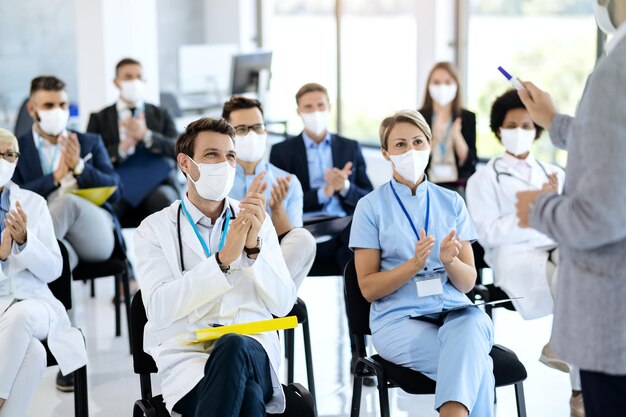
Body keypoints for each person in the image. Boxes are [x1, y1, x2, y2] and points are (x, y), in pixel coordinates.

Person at [134, 117, 296, 416]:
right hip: (188, 357)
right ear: (185, 163)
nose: (224, 164)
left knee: (234, 346)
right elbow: (158, 309)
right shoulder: (153, 229)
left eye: (230, 156)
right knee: (246, 396)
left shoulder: (257, 220)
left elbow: (284, 304)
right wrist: (221, 262)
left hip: (253, 345)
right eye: (212, 155)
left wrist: (251, 251)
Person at [515, 1, 626, 416]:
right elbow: (612, 144)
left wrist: (539, 207)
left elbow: (598, 217)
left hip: (612, 326)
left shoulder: (616, 71)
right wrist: (555, 122)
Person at [350, 110, 494, 417]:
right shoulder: (370, 207)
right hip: (397, 320)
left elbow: (468, 283)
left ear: (429, 144)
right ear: (386, 153)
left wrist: (449, 262)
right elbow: (368, 288)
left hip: (452, 312)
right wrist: (412, 266)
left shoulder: (452, 201)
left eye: (418, 142)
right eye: (400, 145)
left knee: (476, 321)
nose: (411, 150)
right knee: (481, 366)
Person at [465, 90, 585, 416]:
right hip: (513, 258)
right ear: (498, 130)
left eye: (527, 125)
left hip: (557, 249)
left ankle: (572, 371)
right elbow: (489, 231)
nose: (520, 131)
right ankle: (578, 388)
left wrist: (539, 213)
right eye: (511, 125)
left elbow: (569, 221)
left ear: (538, 130)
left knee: (583, 267)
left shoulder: (554, 173)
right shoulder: (483, 179)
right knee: (576, 285)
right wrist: (540, 212)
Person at [0, 128, 87, 417]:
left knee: (22, 316)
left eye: (9, 154)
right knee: (34, 354)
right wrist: (2, 255)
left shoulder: (32, 204)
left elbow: (53, 270)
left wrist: (25, 241)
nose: (4, 160)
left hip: (37, 307)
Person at [14, 76, 120, 271]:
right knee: (62, 258)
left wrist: (79, 167)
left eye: (62, 105)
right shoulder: (17, 149)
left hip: (95, 234)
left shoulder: (89, 142)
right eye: (49, 105)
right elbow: (13, 198)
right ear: (32, 109)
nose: (57, 111)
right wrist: (54, 178)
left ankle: (16, 267)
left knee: (67, 203)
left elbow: (116, 191)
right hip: (56, 235)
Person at [270, 82, 373, 272]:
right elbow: (280, 202)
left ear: (329, 108)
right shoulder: (281, 152)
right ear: (298, 111)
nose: (315, 112)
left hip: (343, 227)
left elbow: (369, 198)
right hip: (304, 227)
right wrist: (323, 193)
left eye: (320, 106)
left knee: (356, 246)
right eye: (308, 107)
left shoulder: (349, 147)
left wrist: (344, 187)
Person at [222, 96, 316, 289]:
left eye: (257, 127)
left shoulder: (287, 182)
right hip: (227, 267)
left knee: (303, 239)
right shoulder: (217, 180)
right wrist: (246, 215)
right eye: (242, 129)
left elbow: (291, 246)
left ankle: (262, 298)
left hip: (270, 272)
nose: (252, 135)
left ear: (265, 130)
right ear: (228, 134)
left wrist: (277, 208)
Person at [87, 57, 180, 227]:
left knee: (164, 201)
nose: (134, 82)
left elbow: (180, 149)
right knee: (106, 210)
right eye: (128, 77)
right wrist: (122, 148)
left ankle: (170, 251)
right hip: (118, 184)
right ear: (116, 82)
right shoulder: (99, 118)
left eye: (139, 77)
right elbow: (90, 159)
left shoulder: (161, 114)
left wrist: (146, 135)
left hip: (157, 183)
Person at [419, 62, 477, 189]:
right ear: (429, 86)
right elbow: (416, 161)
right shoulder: (419, 117)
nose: (442, 87)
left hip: (458, 187)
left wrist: (456, 135)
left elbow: (470, 163)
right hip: (427, 185)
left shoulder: (467, 117)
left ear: (456, 86)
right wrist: (433, 140)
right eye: (436, 82)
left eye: (447, 82)